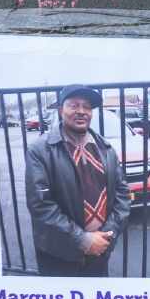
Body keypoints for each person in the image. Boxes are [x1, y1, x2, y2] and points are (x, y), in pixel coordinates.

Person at [23, 84, 131, 277]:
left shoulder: (107, 149)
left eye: (87, 106)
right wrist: (82, 240)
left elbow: (123, 194)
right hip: (59, 256)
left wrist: (107, 235)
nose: (81, 111)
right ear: (60, 110)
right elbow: (41, 206)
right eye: (74, 105)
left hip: (100, 251)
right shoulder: (40, 150)